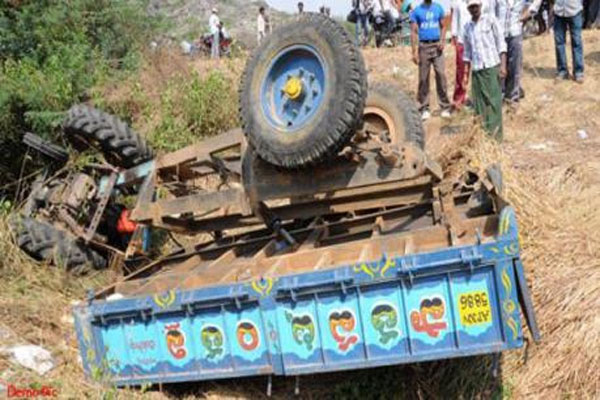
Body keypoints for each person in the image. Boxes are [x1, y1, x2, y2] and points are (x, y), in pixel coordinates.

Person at [462, 0, 507, 140]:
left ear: (480, 6)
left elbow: (501, 44)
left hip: (491, 66)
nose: (474, 9)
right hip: (477, 70)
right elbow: (467, 54)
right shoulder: (467, 27)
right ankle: (484, 137)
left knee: (494, 103)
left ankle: (496, 138)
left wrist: (503, 66)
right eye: (471, 7)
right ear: (468, 9)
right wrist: (465, 75)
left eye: (476, 6)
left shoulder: (491, 20)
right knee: (479, 105)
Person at [524, 0, 584, 82]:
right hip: (559, 12)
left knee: (576, 42)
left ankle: (578, 72)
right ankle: (562, 71)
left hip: (574, 11)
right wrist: (531, 10)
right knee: (559, 43)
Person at [410, 0, 452, 120]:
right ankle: (424, 107)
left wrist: (442, 41)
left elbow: (444, 26)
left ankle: (445, 106)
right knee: (423, 78)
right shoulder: (417, 11)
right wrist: (413, 52)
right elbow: (413, 31)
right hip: (423, 47)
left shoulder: (438, 8)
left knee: (441, 74)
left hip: (436, 46)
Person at [497, 0, 527, 105]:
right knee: (500, 66)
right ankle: (500, 95)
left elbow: (535, 2)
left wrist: (528, 13)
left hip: (515, 32)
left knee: (515, 67)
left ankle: (513, 97)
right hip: (500, 34)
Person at [451, 0, 470, 108]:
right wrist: (454, 35)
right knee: (461, 72)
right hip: (462, 42)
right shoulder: (458, 3)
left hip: (476, 41)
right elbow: (454, 19)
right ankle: (458, 98)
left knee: (478, 71)